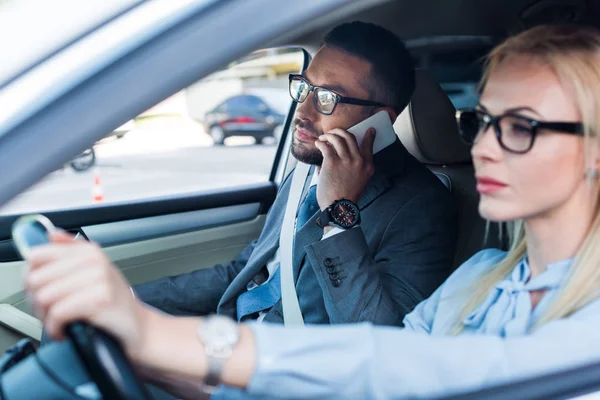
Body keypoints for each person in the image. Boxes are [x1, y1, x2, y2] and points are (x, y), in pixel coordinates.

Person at [24, 23, 600, 399]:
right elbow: (392, 357)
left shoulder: (421, 208)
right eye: (482, 122)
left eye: (521, 127)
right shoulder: (480, 278)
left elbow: (386, 361)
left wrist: (338, 211)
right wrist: (129, 306)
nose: (484, 148)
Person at [123, 21, 456, 327]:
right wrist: (127, 299)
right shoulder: (306, 171)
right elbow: (249, 271)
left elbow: (380, 339)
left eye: (327, 98)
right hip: (235, 341)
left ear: (379, 121)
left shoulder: (423, 207)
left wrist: (340, 215)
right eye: (305, 87)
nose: (303, 111)